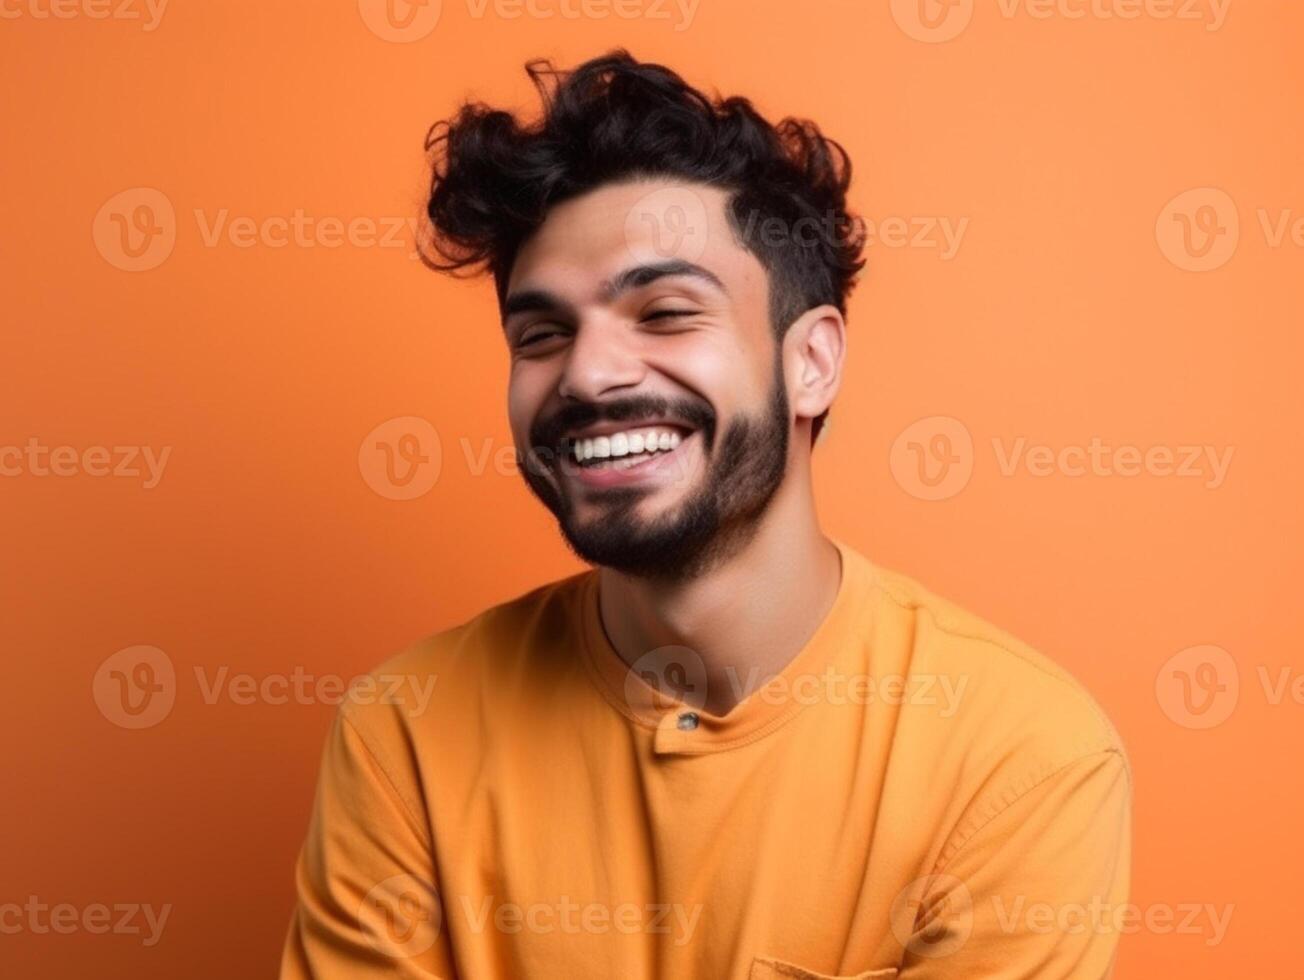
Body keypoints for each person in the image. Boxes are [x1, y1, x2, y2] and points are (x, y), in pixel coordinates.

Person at [280, 50, 1130, 980]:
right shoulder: (405, 732)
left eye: (667, 312)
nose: (588, 374)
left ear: (811, 363)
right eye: (542, 334)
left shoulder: (1016, 757)